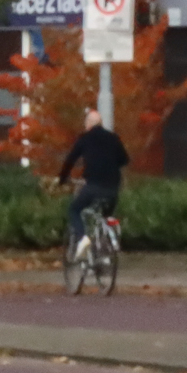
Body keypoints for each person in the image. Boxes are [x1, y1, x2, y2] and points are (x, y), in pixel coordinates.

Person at [57, 109, 131, 261]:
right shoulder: (113, 138)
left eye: (86, 123)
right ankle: (105, 253)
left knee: (75, 209)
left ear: (89, 124)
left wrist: (62, 179)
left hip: (93, 187)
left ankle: (83, 238)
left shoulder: (85, 139)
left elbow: (70, 160)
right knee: (105, 216)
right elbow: (124, 160)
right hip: (112, 190)